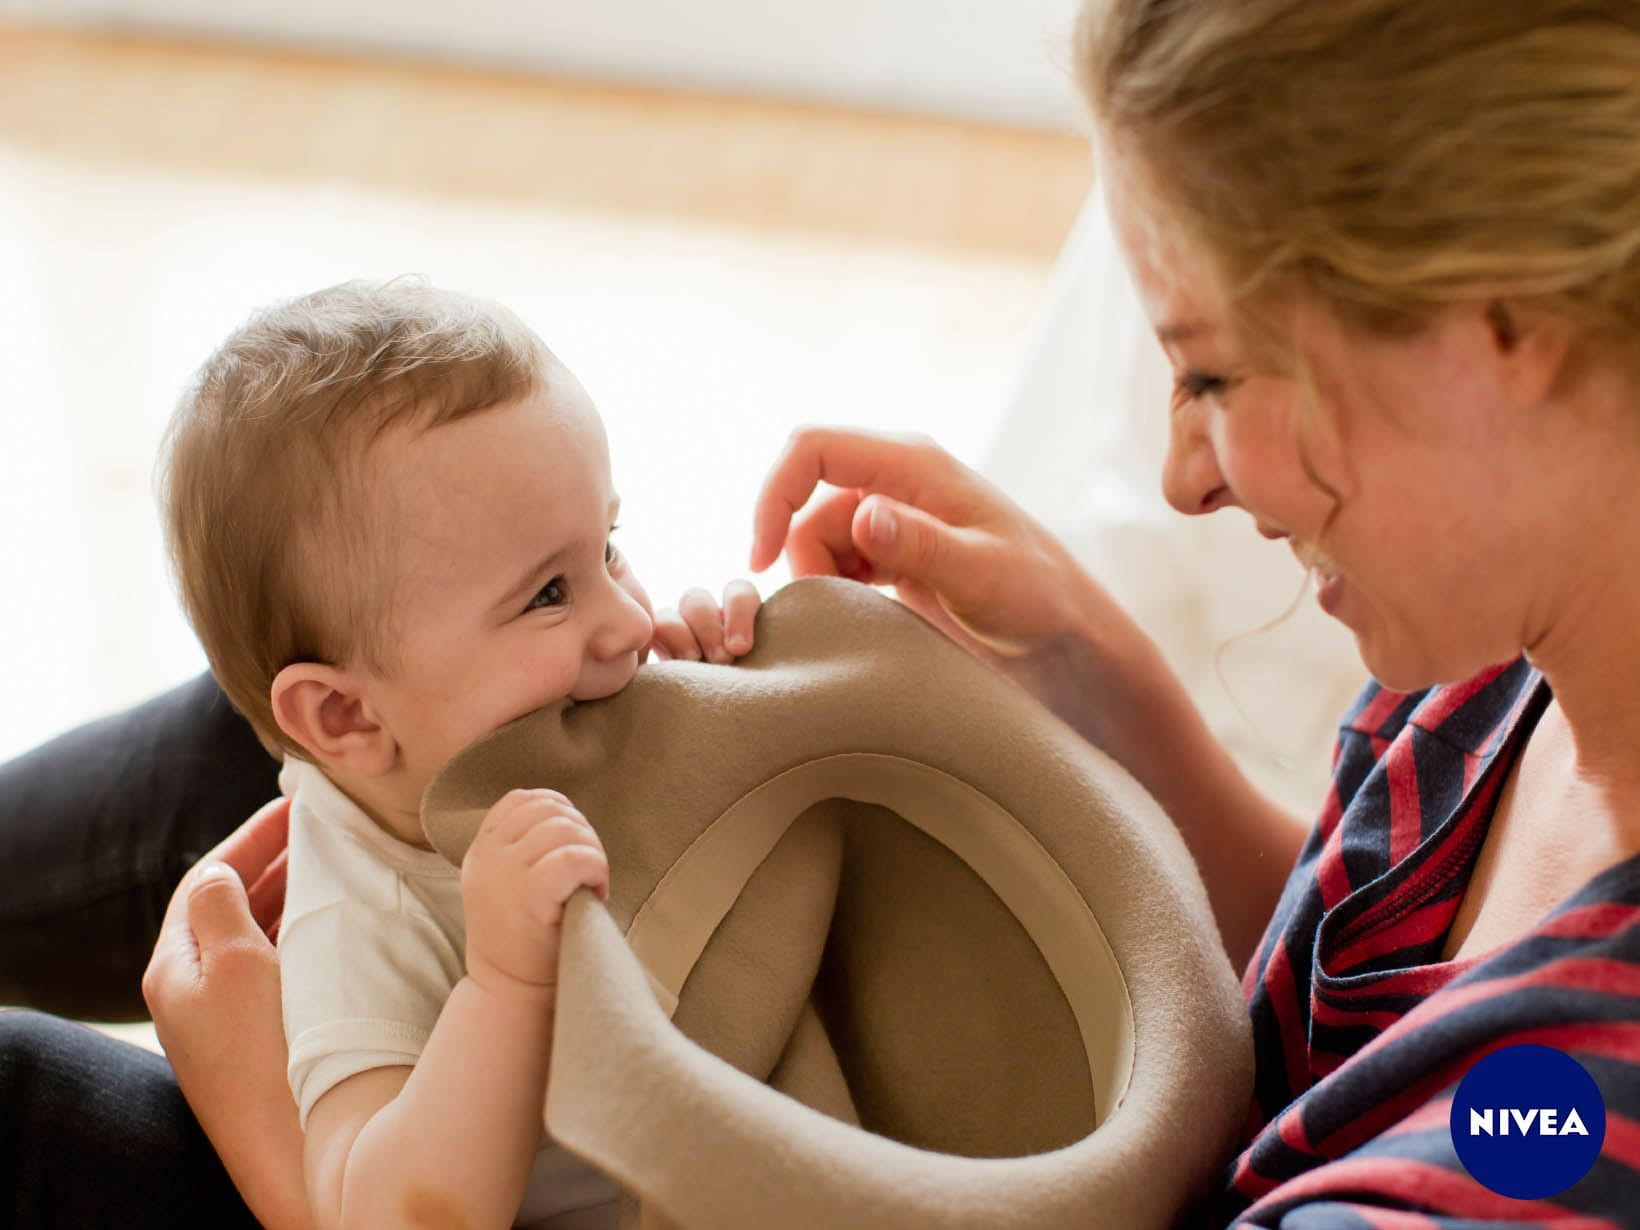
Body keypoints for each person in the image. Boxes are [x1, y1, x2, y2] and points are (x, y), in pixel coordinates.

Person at [6, 1, 1639, 1225]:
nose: (1181, 475)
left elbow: (1471, 1101)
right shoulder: (1520, 672)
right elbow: (1390, 998)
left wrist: (285, 1158)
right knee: (351, 708)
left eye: (1213, 371)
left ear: (1500, 330)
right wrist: (1091, 670)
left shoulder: (1559, 1147)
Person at [158, 278, 764, 1229]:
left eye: (608, 548)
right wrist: (505, 987)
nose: (629, 621)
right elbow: (377, 1212)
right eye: (547, 596)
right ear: (347, 718)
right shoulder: (365, 912)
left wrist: (726, 684)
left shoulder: (563, 721)